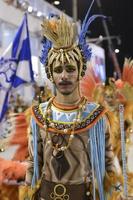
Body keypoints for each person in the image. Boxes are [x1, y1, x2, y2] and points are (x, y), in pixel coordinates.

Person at [25, 1, 124, 200]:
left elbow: (109, 164)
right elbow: (32, 164)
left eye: (70, 69)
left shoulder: (96, 116)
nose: (64, 76)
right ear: (51, 75)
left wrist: (117, 191)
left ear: (79, 72)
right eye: (58, 70)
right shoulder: (38, 115)